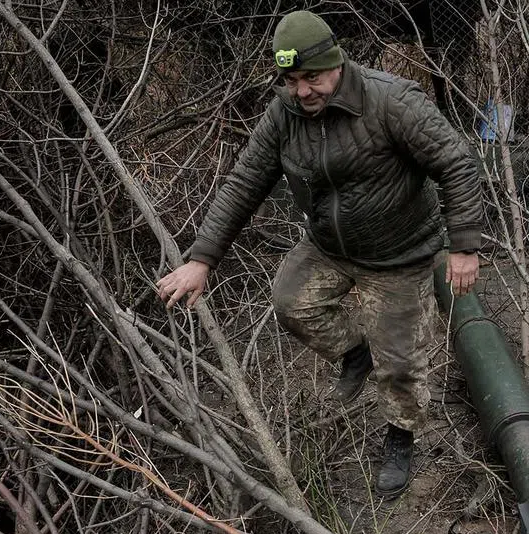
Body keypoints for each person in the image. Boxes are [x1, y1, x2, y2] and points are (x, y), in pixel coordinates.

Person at [156, 9, 483, 498]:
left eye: (312, 78)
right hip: (330, 246)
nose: (303, 91)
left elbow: (457, 164)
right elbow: (245, 181)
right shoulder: (284, 114)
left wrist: (464, 246)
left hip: (398, 254)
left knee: (401, 366)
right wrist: (203, 259)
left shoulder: (391, 101)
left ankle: (400, 436)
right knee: (292, 302)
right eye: (290, 80)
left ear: (336, 64)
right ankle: (356, 353)